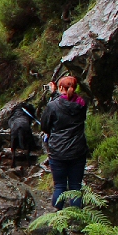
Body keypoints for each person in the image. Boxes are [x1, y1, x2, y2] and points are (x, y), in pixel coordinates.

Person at [39, 75, 87, 208]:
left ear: (60, 88)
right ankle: (76, 217)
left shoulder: (52, 106)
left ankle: (58, 216)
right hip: (78, 151)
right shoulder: (82, 104)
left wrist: (53, 94)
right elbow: (68, 104)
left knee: (59, 186)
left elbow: (44, 126)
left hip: (57, 152)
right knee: (75, 187)